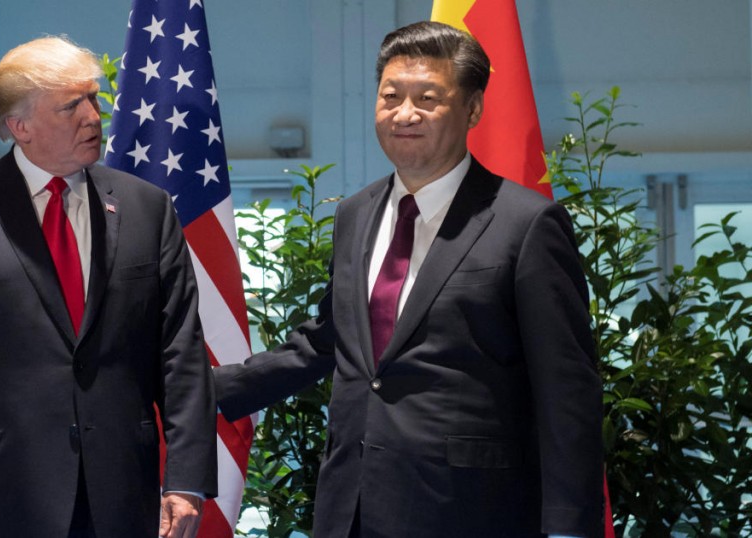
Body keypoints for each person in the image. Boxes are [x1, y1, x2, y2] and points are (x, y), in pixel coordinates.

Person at [215, 21, 603, 538]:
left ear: (473, 110)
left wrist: (570, 526)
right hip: (350, 507)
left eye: (427, 98)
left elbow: (567, 388)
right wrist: (204, 388)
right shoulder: (355, 214)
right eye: (391, 96)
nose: (404, 113)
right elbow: (330, 339)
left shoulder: (526, 223)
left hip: (470, 513)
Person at [0, 35, 217, 538]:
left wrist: (186, 480)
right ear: (19, 126)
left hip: (124, 493)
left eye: (93, 99)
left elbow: (181, 352)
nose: (93, 116)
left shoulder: (147, 207)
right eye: (71, 106)